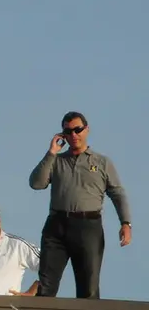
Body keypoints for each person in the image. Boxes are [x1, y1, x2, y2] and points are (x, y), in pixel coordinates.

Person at [29, 111, 132, 299]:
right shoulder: (56, 161)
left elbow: (117, 193)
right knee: (46, 285)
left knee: (88, 286)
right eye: (68, 132)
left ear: (87, 129)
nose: (74, 135)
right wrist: (52, 152)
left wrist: (125, 223)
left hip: (88, 226)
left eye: (78, 130)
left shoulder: (101, 162)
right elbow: (37, 183)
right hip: (56, 225)